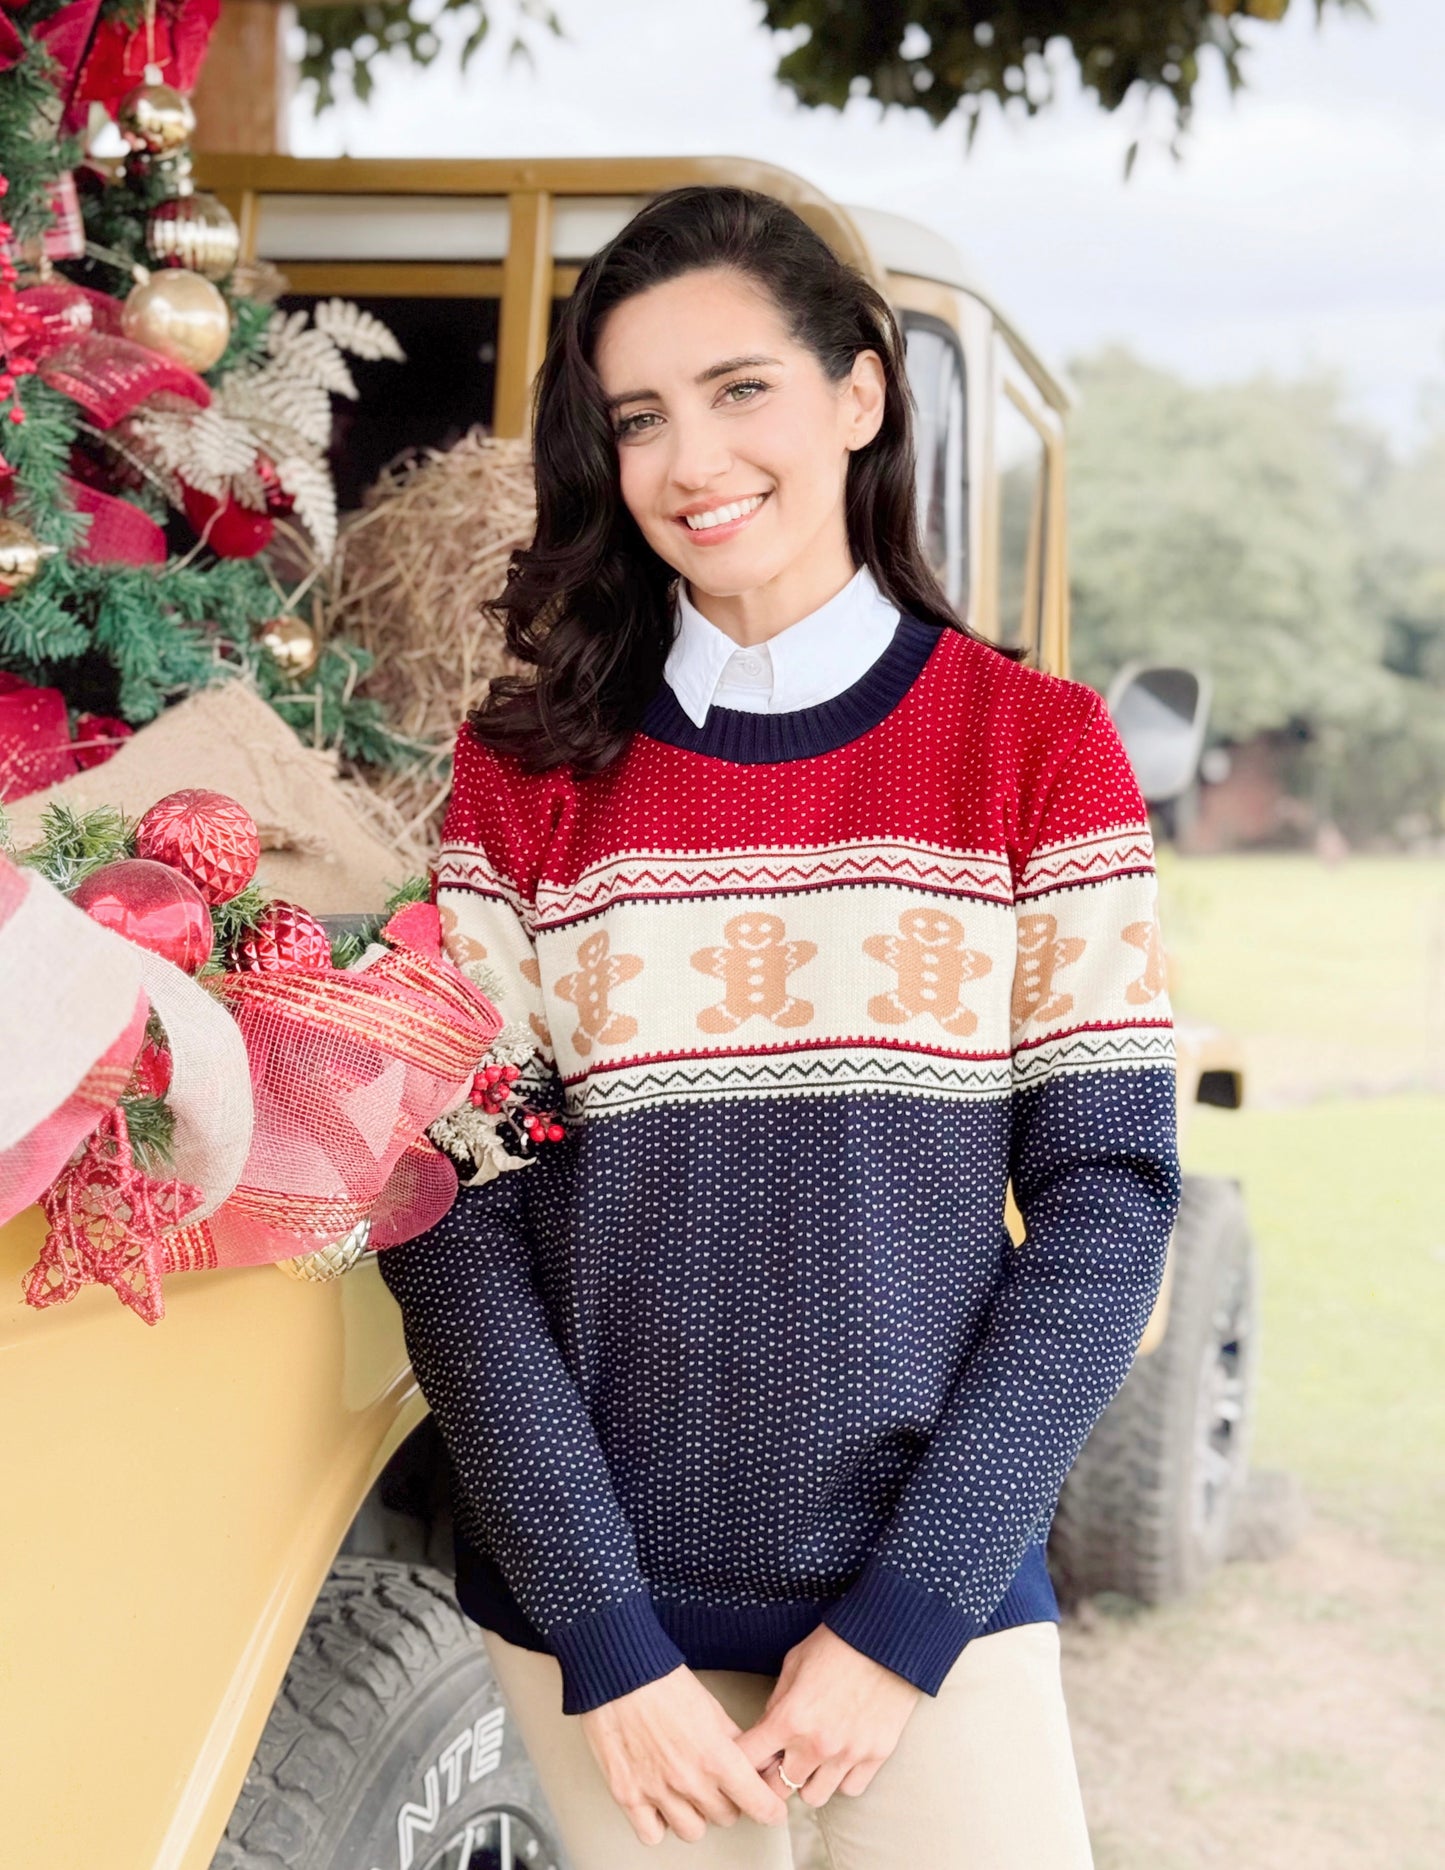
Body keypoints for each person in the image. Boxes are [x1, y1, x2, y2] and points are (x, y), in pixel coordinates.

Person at [378, 184, 1182, 1869]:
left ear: (859, 394)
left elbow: (1107, 1205)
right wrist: (605, 1637)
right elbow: (451, 1221)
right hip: (601, 1630)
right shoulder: (516, 779)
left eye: (742, 389)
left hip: (930, 1600)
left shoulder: (1038, 753)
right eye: (640, 417)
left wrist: (907, 1614)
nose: (693, 460)